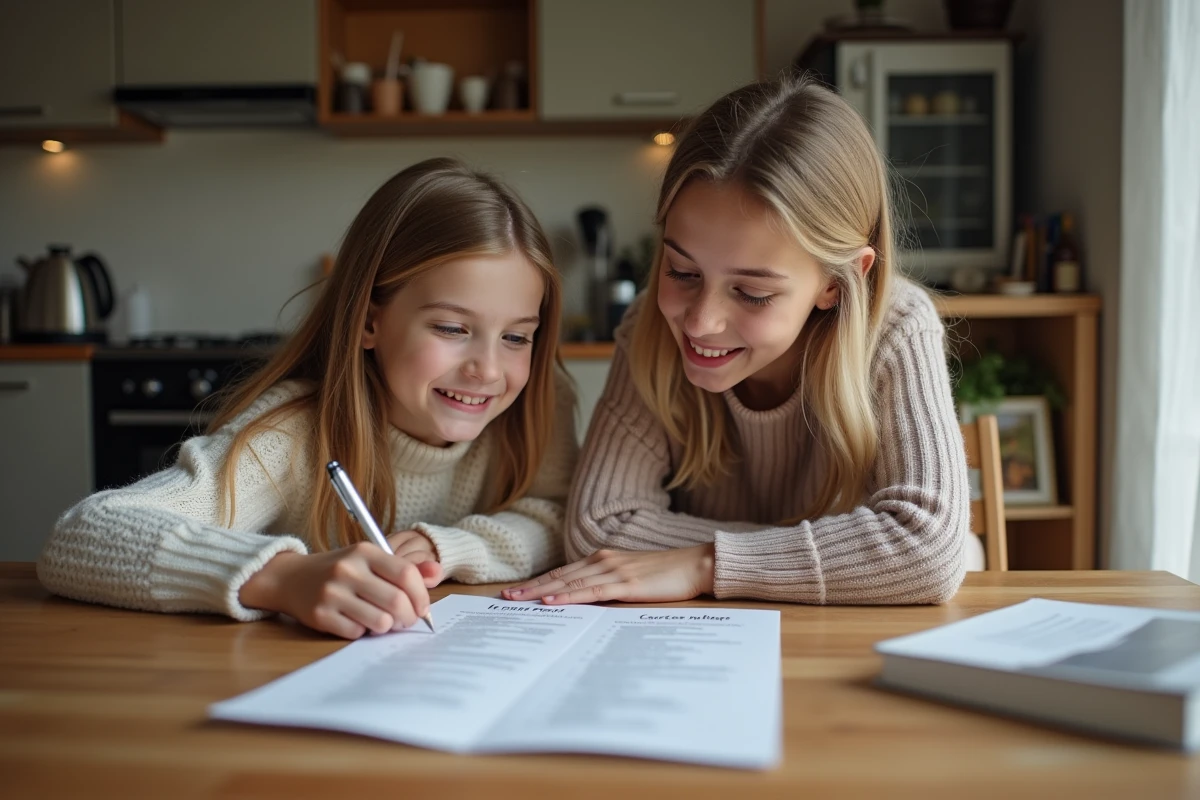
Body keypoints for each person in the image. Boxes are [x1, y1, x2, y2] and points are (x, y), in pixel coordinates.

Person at [38, 157, 578, 639]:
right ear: (371, 321)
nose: (487, 369)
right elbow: (83, 537)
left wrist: (451, 547)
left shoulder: (538, 403)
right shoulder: (293, 430)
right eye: (451, 328)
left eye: (515, 337)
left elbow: (557, 517)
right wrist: (281, 578)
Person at [504, 77, 976, 608]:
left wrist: (706, 563)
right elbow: (598, 529)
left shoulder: (896, 329)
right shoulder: (649, 329)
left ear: (837, 283)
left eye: (752, 294)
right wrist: (847, 552)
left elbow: (926, 549)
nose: (701, 322)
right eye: (681, 271)